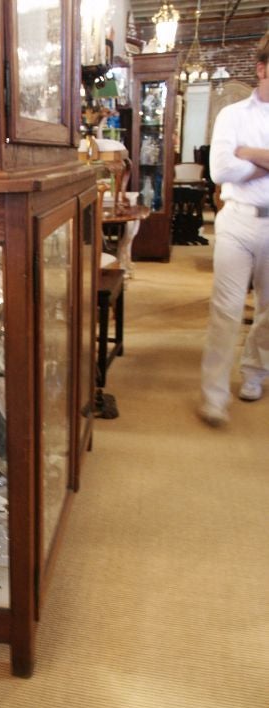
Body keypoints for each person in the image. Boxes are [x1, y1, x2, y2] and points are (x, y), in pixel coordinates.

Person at [199, 31, 269, 427]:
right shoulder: (233, 114)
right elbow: (220, 169)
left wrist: (251, 154)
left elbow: (236, 162)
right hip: (237, 221)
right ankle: (214, 396)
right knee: (225, 310)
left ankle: (255, 373)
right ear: (262, 69)